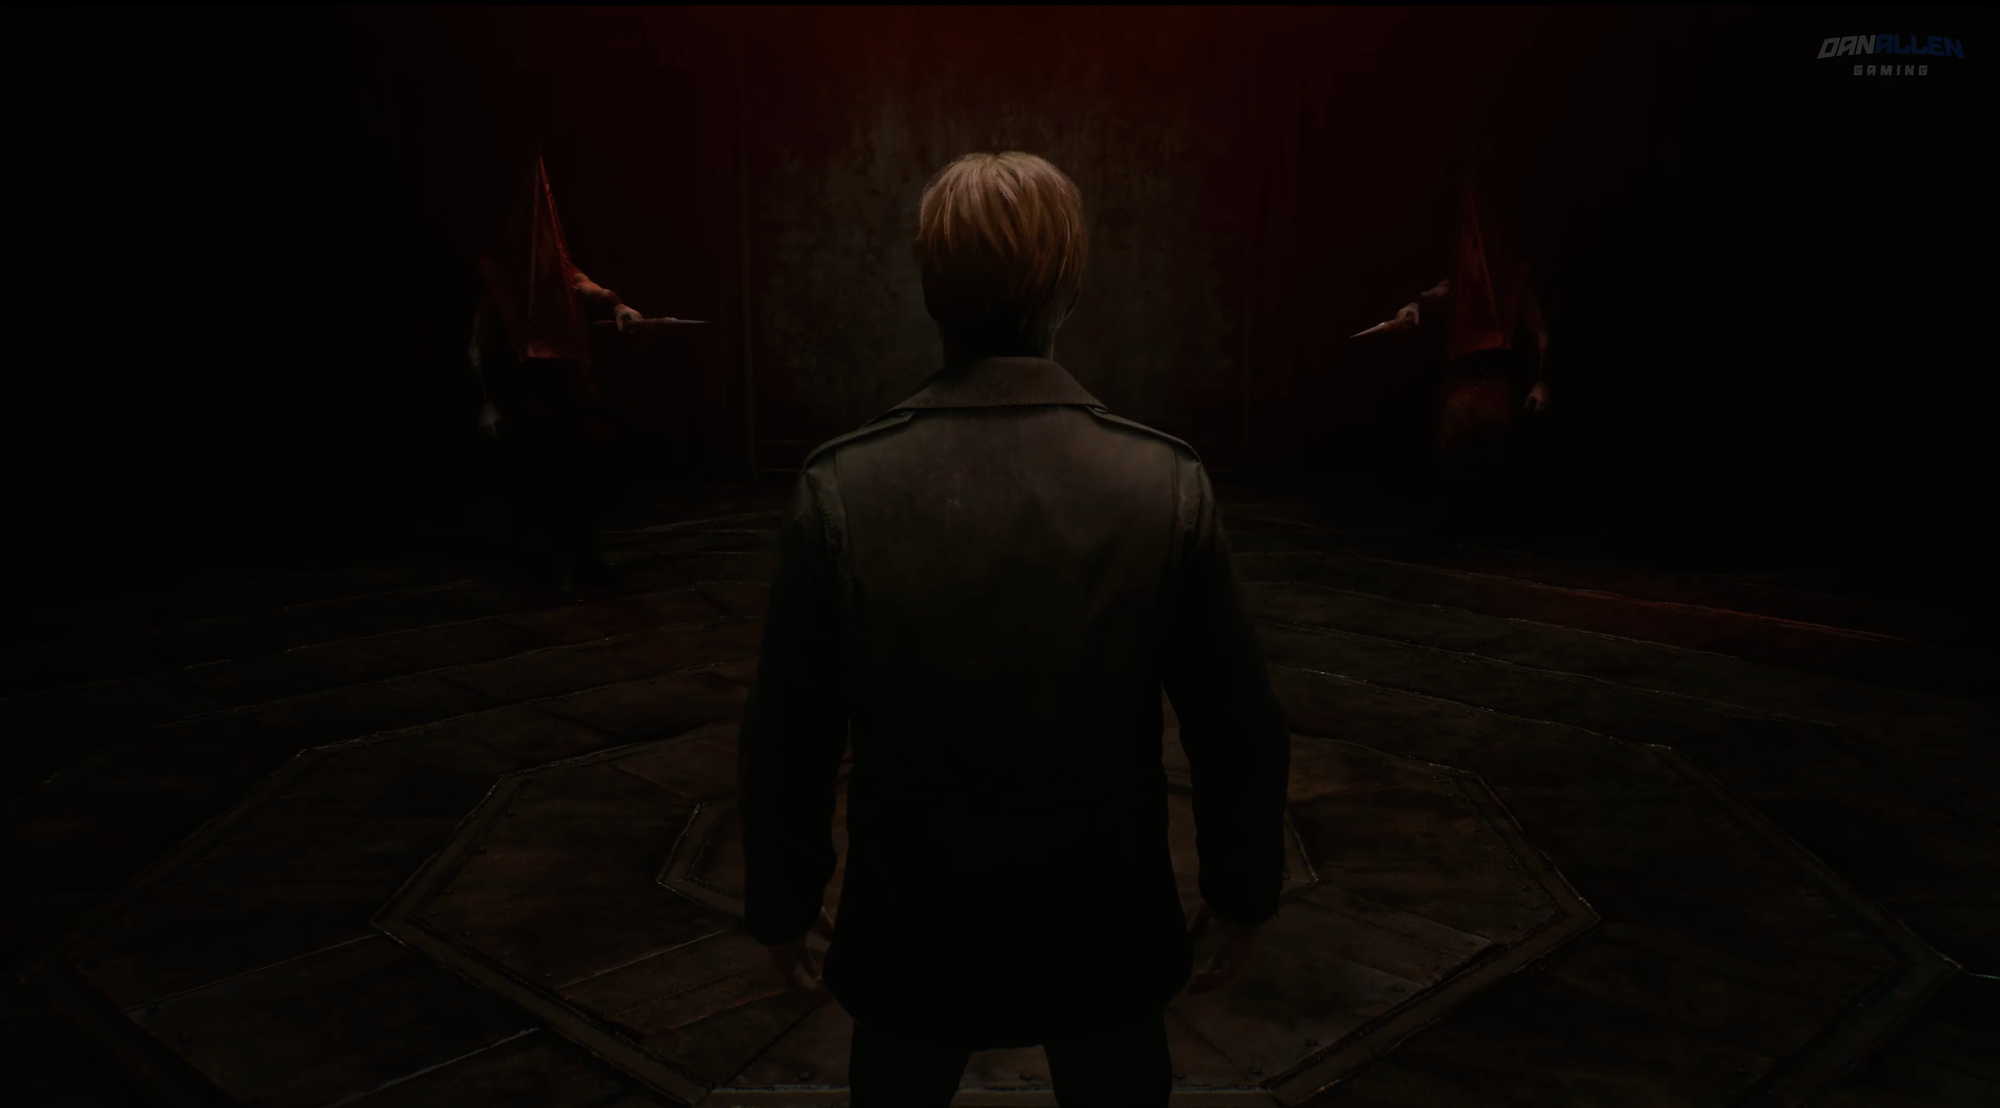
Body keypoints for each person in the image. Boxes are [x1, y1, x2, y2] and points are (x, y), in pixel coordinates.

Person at [736, 152, 1292, 1106]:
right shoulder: (1160, 482)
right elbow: (1236, 725)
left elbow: (789, 736)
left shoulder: (843, 487)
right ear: (1069, 289)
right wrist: (1241, 892)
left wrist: (783, 904)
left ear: (931, 289)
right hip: (1105, 923)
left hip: (913, 926)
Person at [466, 156, 642, 591]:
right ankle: (565, 567)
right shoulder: (498, 273)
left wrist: (618, 306)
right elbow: (478, 343)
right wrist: (486, 402)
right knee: (551, 480)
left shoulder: (556, 267)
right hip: (530, 392)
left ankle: (586, 559)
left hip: (569, 388)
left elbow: (590, 288)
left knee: (589, 471)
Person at [1361, 155, 1551, 542]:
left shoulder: (1516, 283)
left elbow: (1540, 334)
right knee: (1451, 454)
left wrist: (1542, 381)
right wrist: (1413, 308)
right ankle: (1452, 529)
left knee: (1493, 458)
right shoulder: (1462, 282)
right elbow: (1431, 296)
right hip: (1462, 379)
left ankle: (1492, 531)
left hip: (1497, 380)